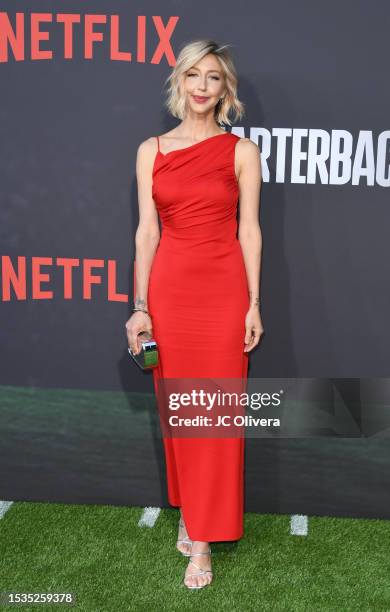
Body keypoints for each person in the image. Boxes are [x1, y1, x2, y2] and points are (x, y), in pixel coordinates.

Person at [126, 38, 263, 589]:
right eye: (194, 76)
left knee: (215, 413)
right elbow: (147, 231)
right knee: (180, 411)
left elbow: (249, 229)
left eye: (214, 78)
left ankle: (202, 540)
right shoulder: (150, 149)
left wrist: (254, 301)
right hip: (170, 292)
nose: (203, 86)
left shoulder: (241, 151)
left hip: (223, 289)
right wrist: (140, 308)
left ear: (224, 88)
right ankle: (193, 512)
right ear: (179, 82)